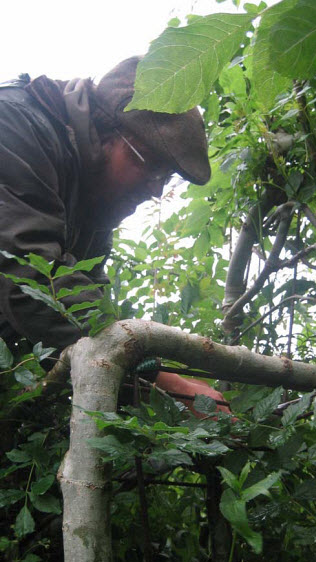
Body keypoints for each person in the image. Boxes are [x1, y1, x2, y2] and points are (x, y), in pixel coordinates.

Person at [0, 56, 226, 411]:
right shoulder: (14, 127)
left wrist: (161, 390)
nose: (155, 190)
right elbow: (31, 281)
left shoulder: (93, 199)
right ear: (103, 127)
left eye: (165, 177)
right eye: (150, 163)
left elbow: (86, 307)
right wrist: (166, 382)